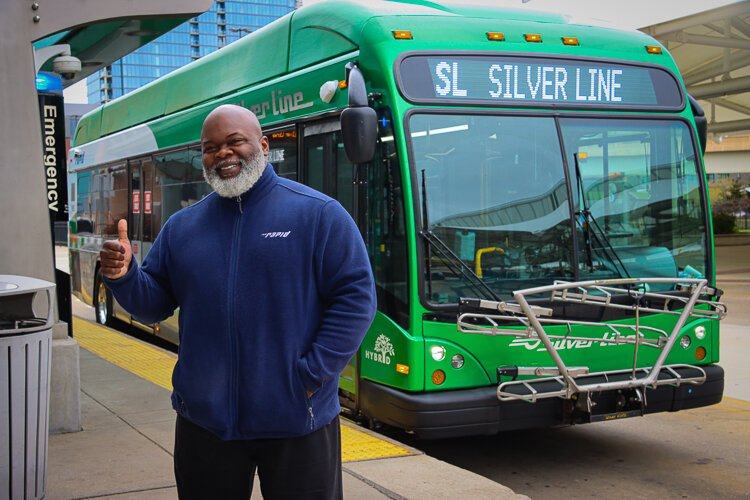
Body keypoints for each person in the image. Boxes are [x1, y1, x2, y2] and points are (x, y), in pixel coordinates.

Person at [99, 104, 377, 499]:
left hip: (298, 419)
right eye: (210, 148)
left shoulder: (318, 215)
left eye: (234, 142)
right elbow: (151, 305)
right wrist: (123, 276)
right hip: (205, 425)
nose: (223, 154)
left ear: (263, 145)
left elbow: (356, 298)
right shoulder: (183, 227)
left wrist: (311, 375)